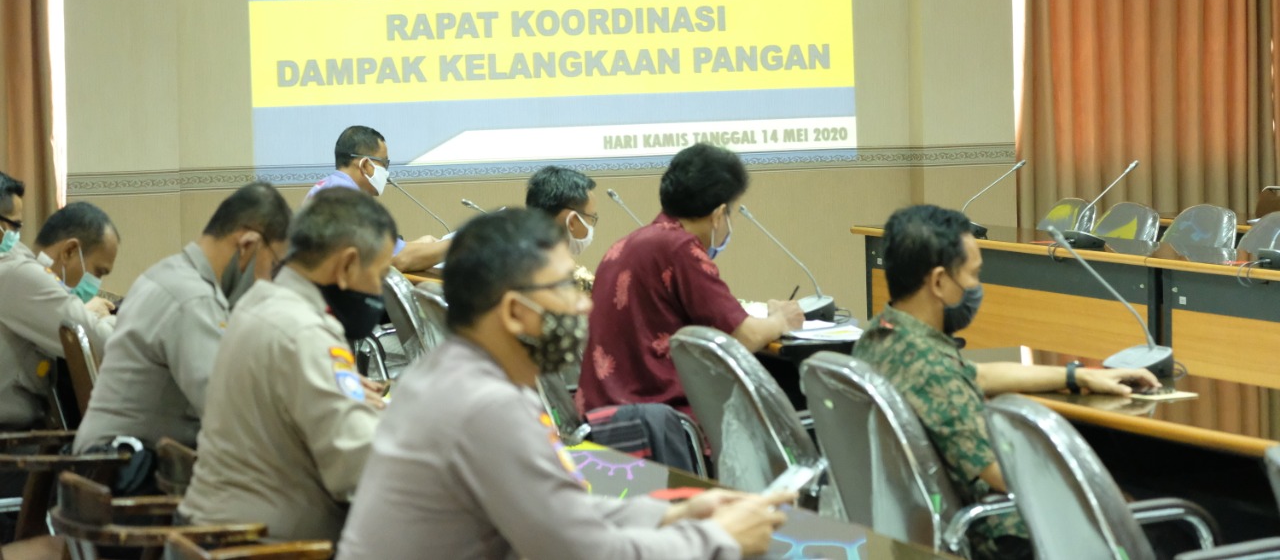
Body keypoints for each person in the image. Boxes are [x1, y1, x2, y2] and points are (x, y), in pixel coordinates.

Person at [337, 208, 790, 560]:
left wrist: (670, 514)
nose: (583, 305)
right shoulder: (486, 405)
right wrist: (719, 539)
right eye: (564, 287)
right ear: (515, 312)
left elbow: (556, 508)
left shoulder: (449, 373)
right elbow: (587, 553)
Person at [854, 204, 1160, 560]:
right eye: (973, 275)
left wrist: (1079, 375)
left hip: (915, 532)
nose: (976, 287)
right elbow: (1008, 476)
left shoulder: (882, 337)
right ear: (938, 282)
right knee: (1162, 521)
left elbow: (976, 375)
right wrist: (1109, 494)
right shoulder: (930, 369)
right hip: (1007, 538)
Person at [178, 188, 394, 541]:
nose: (378, 291)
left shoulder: (257, 304)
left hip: (219, 533)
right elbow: (355, 465)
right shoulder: (305, 331)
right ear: (347, 265)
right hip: (267, 546)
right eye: (380, 275)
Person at [72, 182, 292, 490]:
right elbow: (233, 415)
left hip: (111, 470)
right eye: (274, 265)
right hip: (126, 480)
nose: (269, 281)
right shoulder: (192, 299)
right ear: (248, 245)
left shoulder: (167, 274)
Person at [577, 143, 803, 414]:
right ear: (718, 215)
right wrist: (781, 320)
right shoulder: (680, 248)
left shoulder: (627, 243)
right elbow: (743, 336)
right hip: (657, 422)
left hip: (605, 416)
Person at [0, 177, 119, 431]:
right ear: (69, 251)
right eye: (15, 225)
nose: (15, 236)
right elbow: (103, 345)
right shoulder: (14, 273)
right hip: (12, 437)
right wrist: (108, 319)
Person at [308, 125, 447, 273]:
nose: (386, 172)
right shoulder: (349, 200)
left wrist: (417, 245)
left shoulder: (328, 187)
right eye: (384, 163)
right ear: (365, 165)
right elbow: (399, 259)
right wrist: (456, 245)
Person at [525, 165, 598, 290]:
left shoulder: (510, 269)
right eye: (592, 218)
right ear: (572, 222)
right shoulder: (577, 284)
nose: (591, 225)